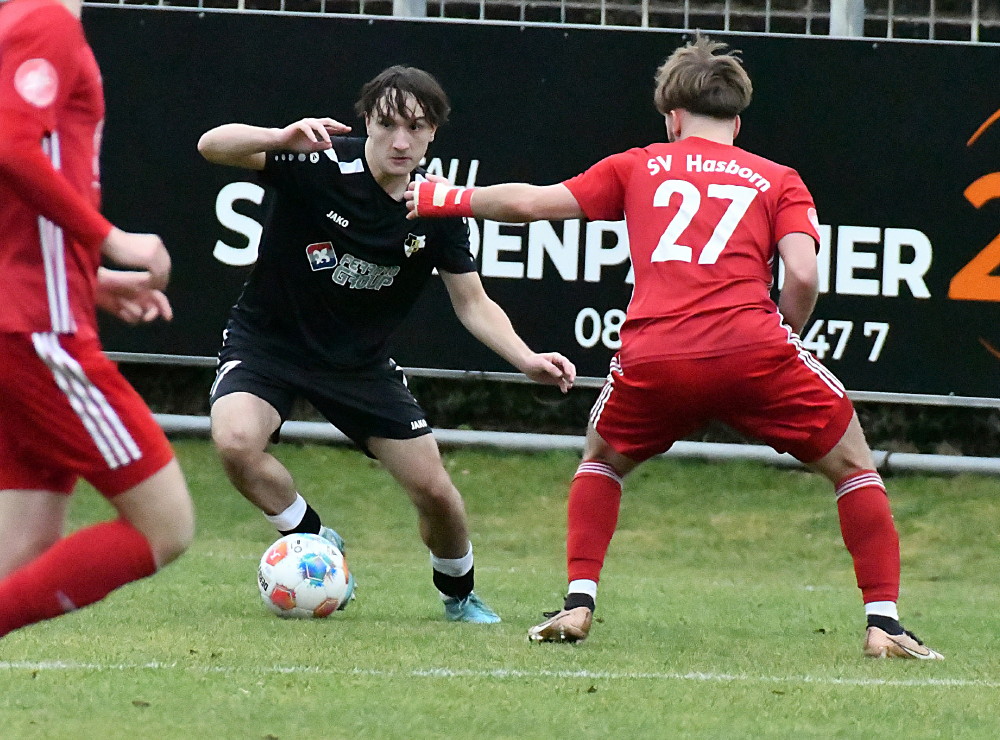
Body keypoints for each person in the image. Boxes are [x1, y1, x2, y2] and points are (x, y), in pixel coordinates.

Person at [406, 37, 942, 658]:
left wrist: (446, 198)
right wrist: (782, 334)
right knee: (854, 467)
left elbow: (530, 204)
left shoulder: (640, 165)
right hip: (754, 350)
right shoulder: (779, 180)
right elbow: (802, 274)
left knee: (601, 461)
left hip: (656, 354)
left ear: (672, 117)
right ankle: (884, 625)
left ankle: (578, 603)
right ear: (736, 122)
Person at [197, 65, 575, 623]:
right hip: (267, 345)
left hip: (359, 365)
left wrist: (527, 358)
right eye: (388, 124)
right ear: (366, 123)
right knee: (234, 442)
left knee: (437, 494)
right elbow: (211, 145)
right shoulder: (318, 160)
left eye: (415, 128)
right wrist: (278, 137)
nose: (400, 141)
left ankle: (459, 595)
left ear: (432, 133)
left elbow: (473, 303)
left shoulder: (438, 206)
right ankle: (312, 537)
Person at [0, 0, 195, 637]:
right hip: (37, 327)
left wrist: (89, 277)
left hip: (26, 315)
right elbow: (10, 145)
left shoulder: (19, 20)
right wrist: (109, 240)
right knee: (165, 523)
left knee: (21, 551)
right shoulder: (45, 20)